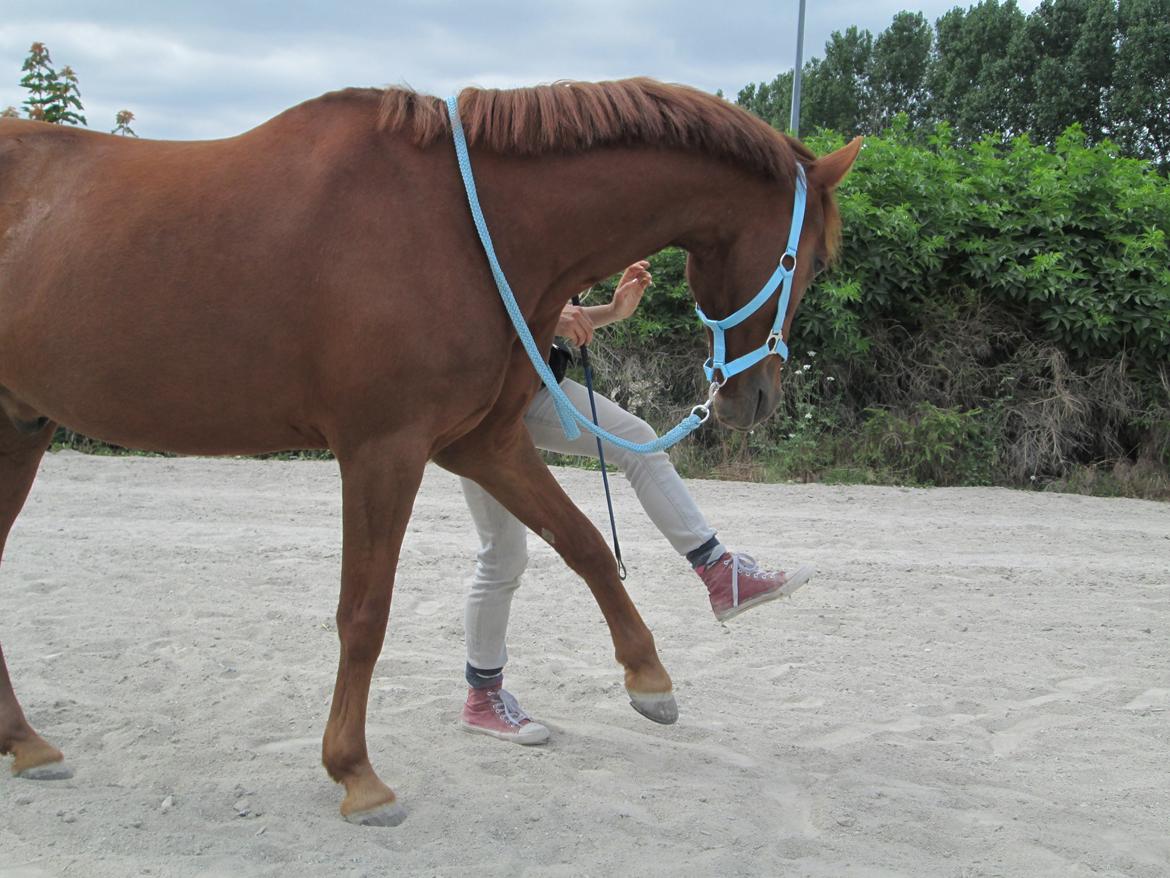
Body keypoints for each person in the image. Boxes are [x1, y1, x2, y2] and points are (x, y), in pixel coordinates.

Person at [459, 261, 814, 744]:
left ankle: (719, 572)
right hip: (475, 404)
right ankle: (482, 696)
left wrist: (611, 312)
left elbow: (558, 319)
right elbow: (471, 302)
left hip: (533, 387)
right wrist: (547, 314)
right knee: (503, 556)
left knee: (636, 439)